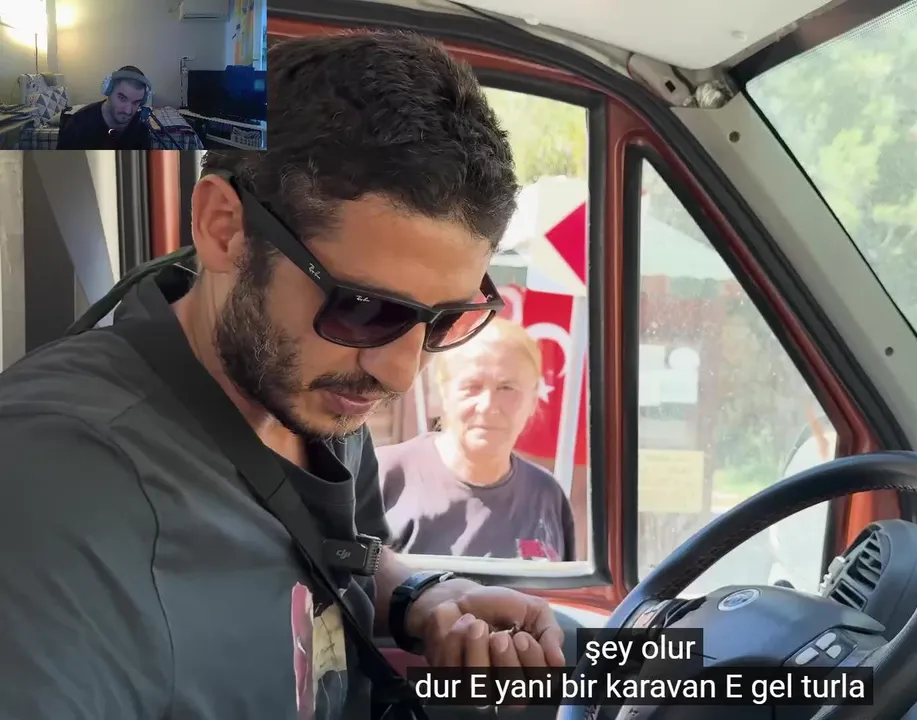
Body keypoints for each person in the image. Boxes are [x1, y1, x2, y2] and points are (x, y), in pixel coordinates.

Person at [0, 31, 565, 720]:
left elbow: (337, 552)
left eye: (444, 319)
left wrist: (422, 598)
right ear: (224, 228)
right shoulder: (57, 488)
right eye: (363, 307)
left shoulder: (318, 390)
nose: (399, 371)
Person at [379, 318, 577, 561]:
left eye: (507, 388)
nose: (487, 406)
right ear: (444, 392)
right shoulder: (382, 476)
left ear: (533, 399)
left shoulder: (546, 495)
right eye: (472, 386)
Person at [57, 65, 152, 150]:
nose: (128, 111)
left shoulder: (141, 129)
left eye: (136, 102)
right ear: (108, 90)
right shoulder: (78, 125)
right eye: (122, 98)